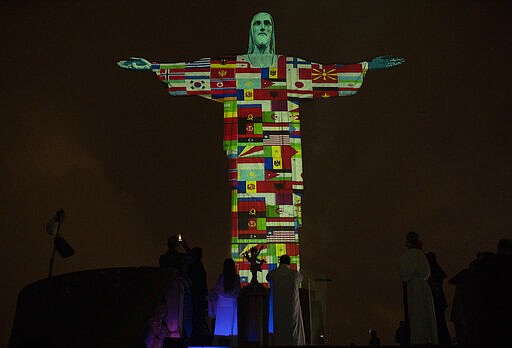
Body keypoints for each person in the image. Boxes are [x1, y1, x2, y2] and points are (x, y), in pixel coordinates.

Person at [117, 12, 404, 285]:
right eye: (257, 24)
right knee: (247, 231)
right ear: (251, 32)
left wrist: (365, 66)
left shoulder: (289, 68)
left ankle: (284, 285)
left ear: (273, 30)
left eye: (267, 23)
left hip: (281, 160)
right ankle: (248, 284)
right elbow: (199, 71)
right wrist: (154, 67)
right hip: (247, 162)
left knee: (282, 230)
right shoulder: (235, 69)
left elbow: (324, 74)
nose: (262, 28)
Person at [399, 231, 438, 345]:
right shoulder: (421, 255)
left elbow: (403, 274)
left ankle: (417, 337)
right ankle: (427, 336)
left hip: (412, 286)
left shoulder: (405, 256)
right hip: (422, 286)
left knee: (414, 312)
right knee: (425, 311)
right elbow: (426, 272)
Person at [266, 254, 305, 345]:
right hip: (291, 304)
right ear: (289, 262)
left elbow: (268, 277)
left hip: (278, 304)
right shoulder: (294, 274)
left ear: (280, 262)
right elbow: (301, 278)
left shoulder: (274, 273)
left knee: (279, 324)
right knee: (292, 324)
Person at [208, 258, 241, 346]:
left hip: (221, 303)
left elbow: (217, 289)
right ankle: (231, 343)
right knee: (231, 325)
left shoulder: (221, 277)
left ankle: (219, 344)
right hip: (231, 303)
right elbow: (237, 292)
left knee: (220, 325)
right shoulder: (236, 278)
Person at [425, 251, 451, 344]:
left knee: (438, 323)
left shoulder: (433, 271)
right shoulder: (437, 270)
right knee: (440, 323)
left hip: (436, 301)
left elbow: (436, 286)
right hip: (438, 301)